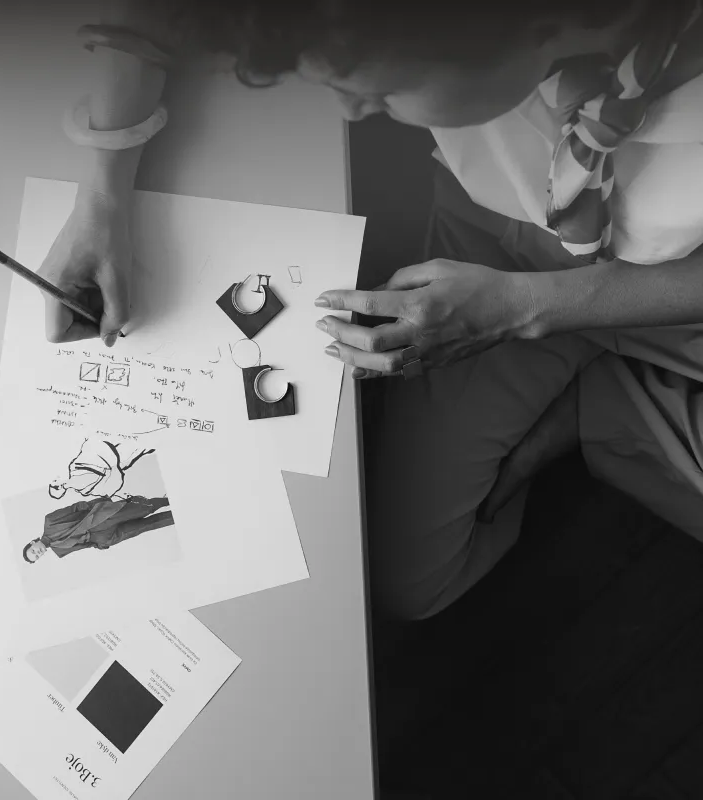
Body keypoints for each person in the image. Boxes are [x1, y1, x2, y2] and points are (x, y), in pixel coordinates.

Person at [37, 0, 703, 626]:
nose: (353, 114)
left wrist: (529, 310)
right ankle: (601, 414)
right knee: (412, 583)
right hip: (490, 237)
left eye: (381, 92)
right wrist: (103, 197)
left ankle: (606, 415)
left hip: (671, 297)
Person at [22, 494, 173, 562]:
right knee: (146, 525)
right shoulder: (59, 551)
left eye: (33, 551)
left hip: (102, 518)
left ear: (32, 543)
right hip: (105, 538)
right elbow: (83, 546)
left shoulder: (49, 521)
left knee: (146, 508)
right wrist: (99, 545)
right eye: (36, 556)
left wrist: (101, 502)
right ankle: (177, 516)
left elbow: (75, 508)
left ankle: (172, 498)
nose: (38, 553)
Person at [48, 437, 155, 500]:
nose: (56, 479)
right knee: (141, 446)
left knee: (140, 446)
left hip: (113, 456)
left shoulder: (74, 471)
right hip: (116, 460)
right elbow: (105, 486)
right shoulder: (76, 480)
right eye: (55, 483)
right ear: (59, 487)